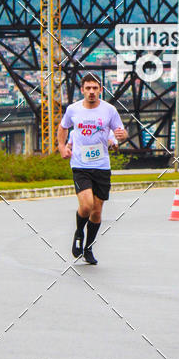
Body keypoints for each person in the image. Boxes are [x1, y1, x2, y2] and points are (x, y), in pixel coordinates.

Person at [58, 73, 127, 265]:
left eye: (95, 88)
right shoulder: (73, 109)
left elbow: (120, 133)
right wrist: (62, 147)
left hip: (102, 166)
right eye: (88, 88)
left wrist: (121, 137)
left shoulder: (109, 110)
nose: (91, 92)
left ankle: (88, 248)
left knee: (96, 211)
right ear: (82, 90)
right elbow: (63, 127)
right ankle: (79, 232)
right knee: (86, 205)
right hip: (80, 165)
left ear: (100, 90)